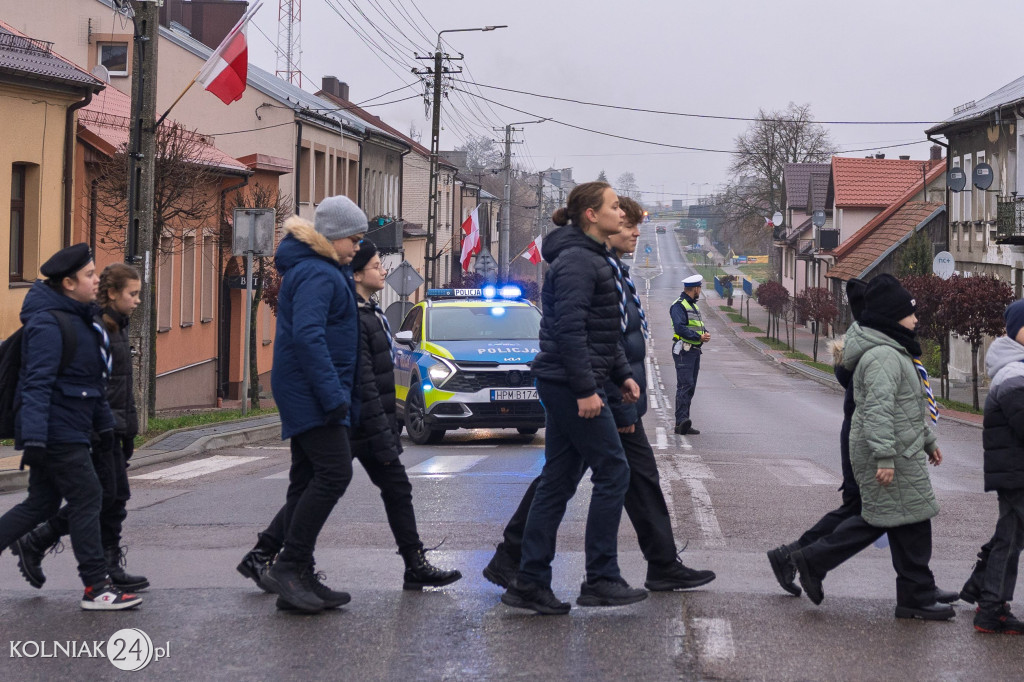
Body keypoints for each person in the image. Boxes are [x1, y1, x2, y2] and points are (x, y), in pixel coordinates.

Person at [484, 197, 715, 593]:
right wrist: (611, 396)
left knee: (610, 477)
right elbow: (588, 337)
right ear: (605, 223)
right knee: (590, 476)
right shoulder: (587, 266)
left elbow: (615, 335)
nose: (636, 234)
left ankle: (657, 563)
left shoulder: (610, 269)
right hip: (597, 391)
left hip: (609, 389)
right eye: (629, 225)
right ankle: (578, 573)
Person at [237, 239, 461, 594]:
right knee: (338, 486)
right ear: (357, 274)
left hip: (364, 420)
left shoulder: (370, 311)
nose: (383, 270)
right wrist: (382, 431)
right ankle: (288, 563)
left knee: (334, 488)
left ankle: (269, 555)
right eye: (375, 265)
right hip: (359, 423)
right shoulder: (354, 316)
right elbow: (363, 379)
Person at [500, 181, 644, 615]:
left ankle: (529, 582)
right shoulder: (579, 261)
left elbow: (603, 328)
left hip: (574, 380)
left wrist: (621, 374)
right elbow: (569, 331)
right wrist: (585, 390)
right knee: (614, 470)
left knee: (558, 480)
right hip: (569, 383)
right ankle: (600, 578)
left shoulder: (594, 258)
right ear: (591, 215)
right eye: (615, 207)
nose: (622, 214)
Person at [789, 274, 953, 620]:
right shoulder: (882, 357)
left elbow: (905, 409)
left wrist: (928, 441)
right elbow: (877, 411)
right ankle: (813, 560)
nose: (916, 319)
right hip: (888, 454)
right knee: (876, 520)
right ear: (893, 317)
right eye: (910, 313)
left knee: (910, 521)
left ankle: (917, 593)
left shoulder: (893, 351)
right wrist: (885, 457)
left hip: (902, 451)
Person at [0, 244, 141, 610]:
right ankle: (96, 587)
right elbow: (36, 383)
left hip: (74, 426)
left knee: (40, 504)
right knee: (89, 497)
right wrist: (33, 438)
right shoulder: (48, 322)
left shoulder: (83, 318)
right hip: (56, 431)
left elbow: (94, 383)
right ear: (68, 282)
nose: (97, 280)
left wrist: (106, 428)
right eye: (90, 275)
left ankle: (96, 584)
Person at [248, 196, 365, 614]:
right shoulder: (318, 272)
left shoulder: (321, 269)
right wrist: (333, 395)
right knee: (334, 473)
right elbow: (309, 338)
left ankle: (299, 576)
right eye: (354, 238)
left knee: (306, 480)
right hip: (312, 392)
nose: (358, 247)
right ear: (333, 237)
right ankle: (290, 565)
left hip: (309, 389)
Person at [767, 278, 868, 596]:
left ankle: (919, 585)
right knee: (861, 511)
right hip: (862, 439)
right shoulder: (868, 346)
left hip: (856, 436)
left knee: (860, 510)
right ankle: (796, 556)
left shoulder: (858, 342)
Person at [958, 299, 1024, 634]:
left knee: (1009, 538)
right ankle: (990, 604)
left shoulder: (1017, 366)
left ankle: (986, 599)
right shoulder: (1014, 373)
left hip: (1014, 470)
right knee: (1009, 540)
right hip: (1015, 472)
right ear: (1015, 331)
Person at [671, 274, 710, 435]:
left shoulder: (692, 305)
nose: (700, 291)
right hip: (684, 350)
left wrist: (704, 334)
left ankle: (684, 421)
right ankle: (680, 422)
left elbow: (696, 325)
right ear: (694, 289)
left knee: (690, 387)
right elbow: (680, 328)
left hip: (694, 351)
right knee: (685, 385)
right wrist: (697, 337)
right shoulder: (679, 305)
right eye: (699, 288)